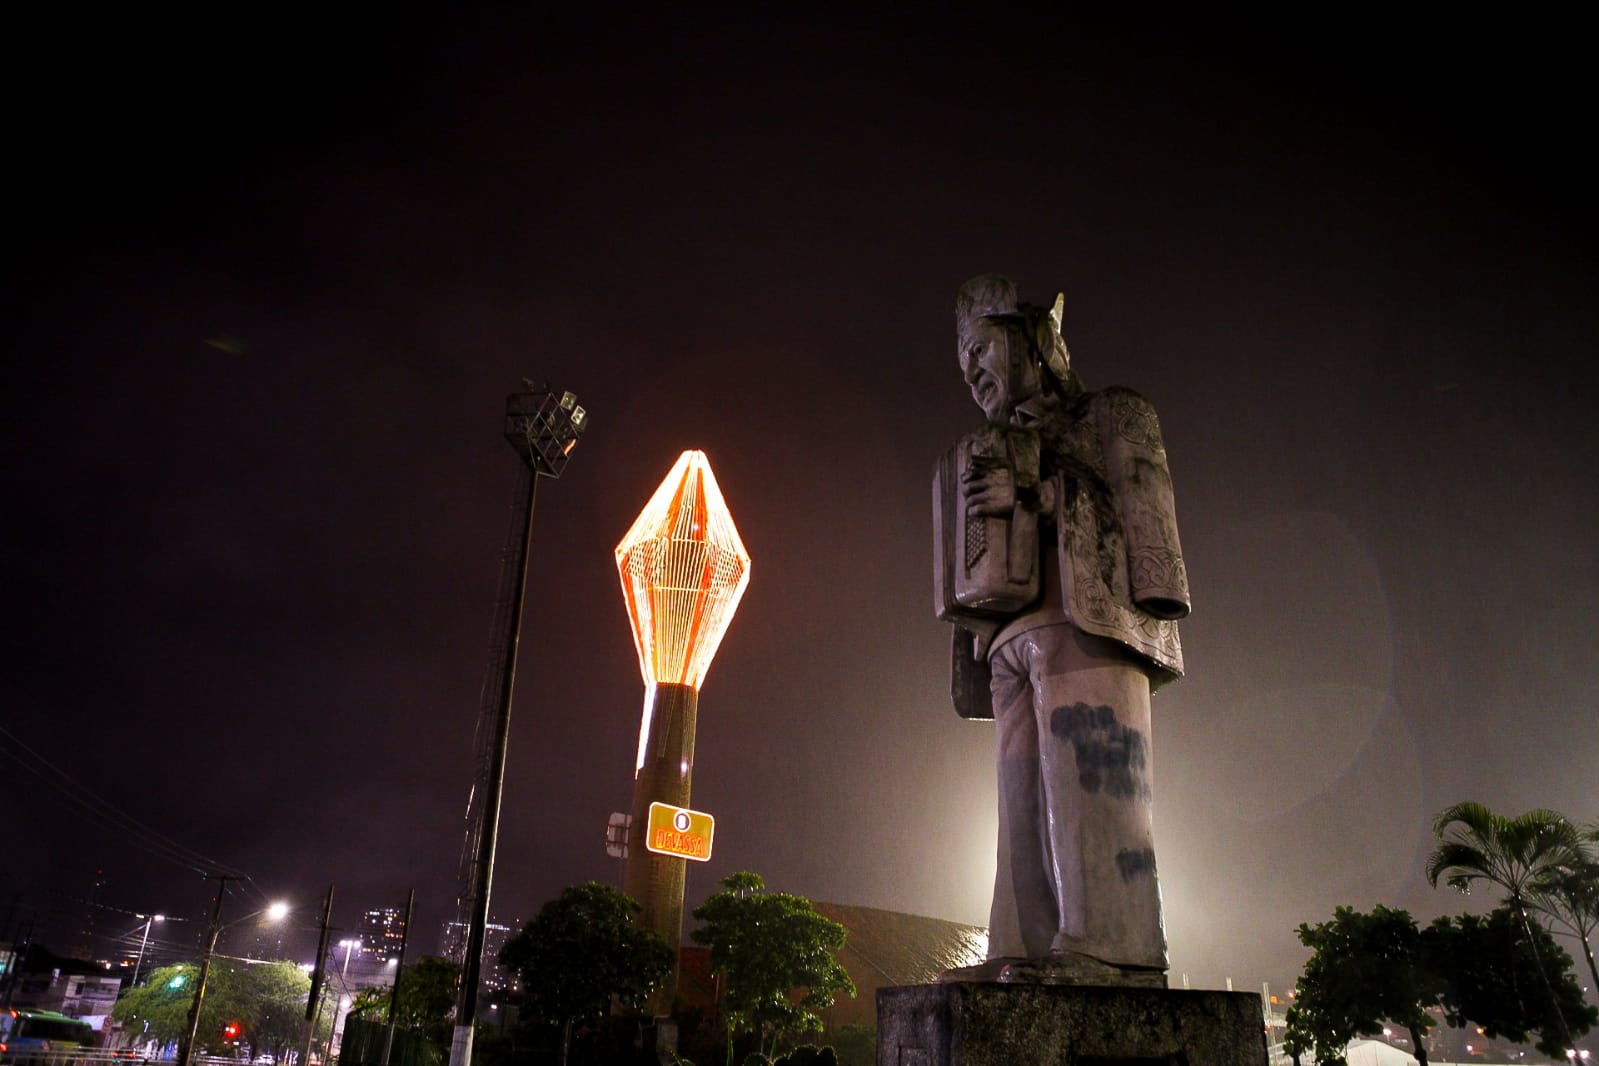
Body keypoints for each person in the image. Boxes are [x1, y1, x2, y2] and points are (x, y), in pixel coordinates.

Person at [936, 274, 1190, 985]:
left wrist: (1038, 492)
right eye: (963, 362)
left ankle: (1109, 946)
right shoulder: (991, 445)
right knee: (1019, 802)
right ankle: (1018, 945)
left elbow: (1146, 515)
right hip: (1007, 641)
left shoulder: (1113, 412)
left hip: (1087, 625)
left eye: (980, 350)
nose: (973, 372)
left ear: (1033, 341)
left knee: (1089, 783)